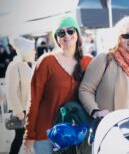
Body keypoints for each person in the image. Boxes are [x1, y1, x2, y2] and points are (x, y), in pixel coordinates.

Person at [23, 17, 92, 154]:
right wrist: (29, 134)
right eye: (61, 33)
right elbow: (34, 100)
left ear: (77, 34)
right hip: (46, 134)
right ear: (56, 38)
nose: (67, 35)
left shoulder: (88, 62)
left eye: (70, 31)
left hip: (75, 135)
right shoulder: (46, 62)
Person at [79, 16, 129, 121]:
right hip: (107, 127)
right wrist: (95, 111)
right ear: (119, 38)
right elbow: (85, 90)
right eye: (126, 35)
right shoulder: (104, 59)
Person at [5, 36, 35, 154]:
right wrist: (18, 112)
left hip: (29, 108)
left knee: (25, 138)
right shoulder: (14, 66)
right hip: (22, 111)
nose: (34, 52)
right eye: (32, 49)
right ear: (25, 51)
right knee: (19, 138)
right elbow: (11, 91)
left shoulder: (27, 64)